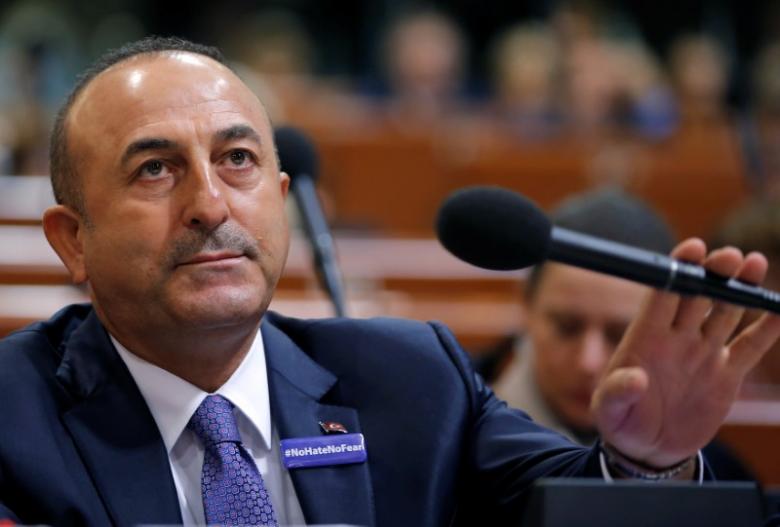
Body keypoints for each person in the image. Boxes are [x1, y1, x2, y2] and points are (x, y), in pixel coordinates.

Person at [1, 36, 778, 527]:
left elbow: (572, 501)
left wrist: (648, 461)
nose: (209, 205)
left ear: (279, 201)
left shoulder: (414, 383)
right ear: (74, 240)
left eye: (237, 160)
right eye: (155, 168)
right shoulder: (15, 420)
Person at [490, 189, 756, 481]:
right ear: (526, 306)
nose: (587, 363)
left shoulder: (713, 472)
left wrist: (664, 470)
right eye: (567, 327)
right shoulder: (453, 429)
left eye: (620, 334)